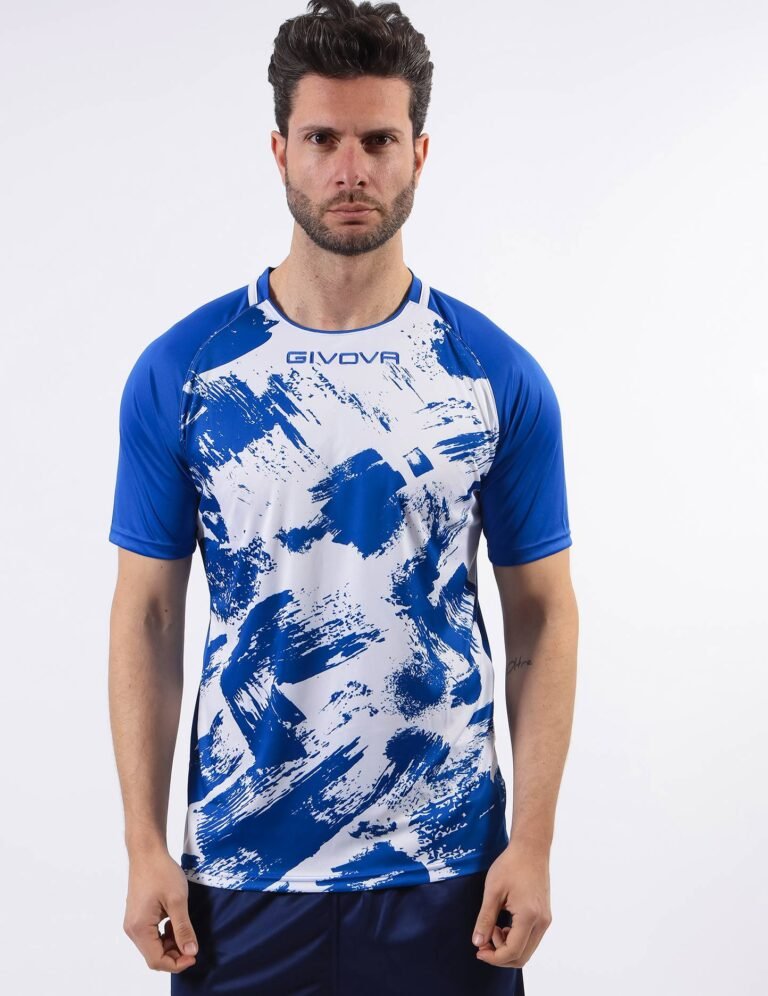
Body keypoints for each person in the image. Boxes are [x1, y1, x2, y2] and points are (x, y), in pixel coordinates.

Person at [107, 1, 579, 992]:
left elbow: (542, 612)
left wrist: (531, 843)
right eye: (324, 139)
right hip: (237, 878)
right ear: (281, 149)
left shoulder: (492, 374)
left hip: (448, 878)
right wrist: (144, 844)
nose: (350, 168)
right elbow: (148, 614)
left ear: (420, 154)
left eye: (378, 140)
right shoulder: (186, 372)